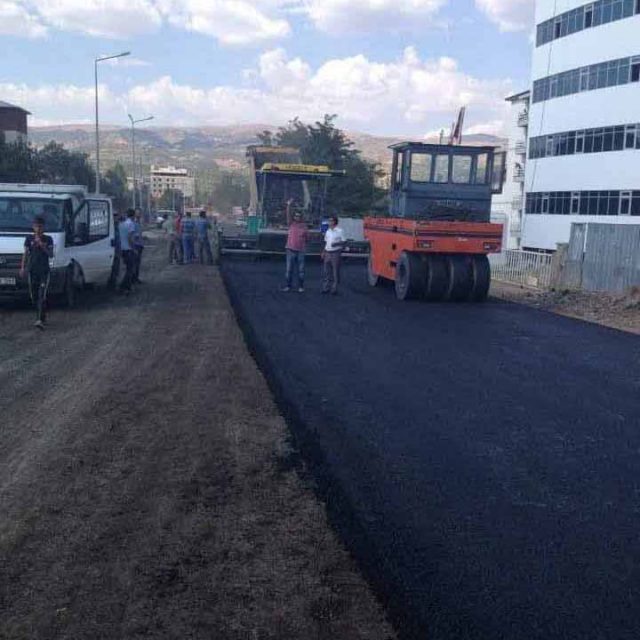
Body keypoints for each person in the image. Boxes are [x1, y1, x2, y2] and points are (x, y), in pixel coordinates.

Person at [20, 215, 54, 330]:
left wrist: (42, 245)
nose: (38, 229)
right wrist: (22, 268)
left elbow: (51, 254)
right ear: (33, 227)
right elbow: (25, 254)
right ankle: (42, 315)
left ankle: (39, 319)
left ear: (43, 227)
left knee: (41, 295)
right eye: (36, 227)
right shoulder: (29, 239)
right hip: (32, 271)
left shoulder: (48, 239)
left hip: (44, 271)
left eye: (40, 227)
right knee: (34, 296)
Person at [282, 198, 308, 293]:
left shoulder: (304, 226)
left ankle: (301, 287)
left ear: (301, 217)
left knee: (301, 270)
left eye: (299, 216)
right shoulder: (291, 224)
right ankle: (288, 286)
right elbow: (288, 215)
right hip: (290, 250)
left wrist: (303, 245)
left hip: (301, 251)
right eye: (296, 216)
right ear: (294, 217)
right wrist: (289, 205)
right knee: (289, 270)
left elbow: (307, 238)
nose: (297, 217)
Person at [322, 216, 346, 295]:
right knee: (326, 271)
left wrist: (336, 244)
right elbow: (326, 242)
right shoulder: (328, 231)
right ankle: (326, 288)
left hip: (336, 252)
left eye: (331, 221)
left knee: (335, 271)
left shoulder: (340, 231)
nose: (329, 222)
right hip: (327, 252)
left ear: (335, 222)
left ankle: (334, 289)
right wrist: (323, 252)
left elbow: (344, 241)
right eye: (329, 221)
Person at [118, 209, 137, 293]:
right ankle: (124, 286)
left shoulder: (122, 224)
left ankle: (126, 286)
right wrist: (133, 248)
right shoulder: (131, 224)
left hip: (122, 248)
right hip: (128, 249)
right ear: (133, 215)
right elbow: (130, 238)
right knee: (130, 269)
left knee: (126, 268)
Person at [108, 211, 122, 290]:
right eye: (114, 216)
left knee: (116, 269)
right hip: (112, 251)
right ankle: (112, 284)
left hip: (118, 251)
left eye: (116, 216)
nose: (116, 218)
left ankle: (114, 282)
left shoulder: (118, 227)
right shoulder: (111, 228)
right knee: (113, 268)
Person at [132, 208, 144, 284]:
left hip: (140, 244)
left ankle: (136, 278)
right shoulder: (133, 223)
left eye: (140, 213)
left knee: (138, 263)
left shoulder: (139, 222)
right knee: (135, 263)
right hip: (135, 245)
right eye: (137, 213)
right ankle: (133, 278)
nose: (139, 214)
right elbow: (132, 234)